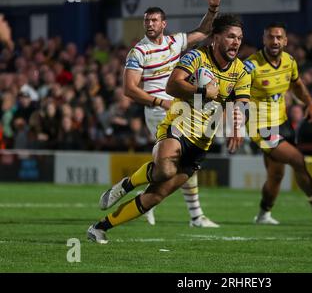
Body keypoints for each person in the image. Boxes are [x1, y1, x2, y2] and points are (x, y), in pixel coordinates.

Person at [87, 14, 250, 243]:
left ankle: (100, 228)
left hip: (201, 143)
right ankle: (127, 184)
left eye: (239, 38)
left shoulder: (242, 71)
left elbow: (242, 103)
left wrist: (237, 123)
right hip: (178, 126)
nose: (236, 42)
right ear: (216, 37)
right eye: (231, 36)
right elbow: (172, 85)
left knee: (155, 196)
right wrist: (203, 92)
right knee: (164, 170)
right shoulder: (196, 56)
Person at [98, 0, 222, 228]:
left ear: (163, 23)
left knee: (180, 163)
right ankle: (193, 215)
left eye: (154, 20)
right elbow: (129, 89)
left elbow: (203, 31)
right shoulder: (138, 52)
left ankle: (144, 199)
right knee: (182, 158)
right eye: (147, 21)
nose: (150, 24)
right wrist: (160, 101)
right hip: (157, 110)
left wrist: (213, 7)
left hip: (182, 107)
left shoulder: (175, 42)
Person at [244, 22, 312, 225]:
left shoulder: (289, 61)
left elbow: (297, 86)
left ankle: (263, 214)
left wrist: (310, 103)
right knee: (297, 160)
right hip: (261, 128)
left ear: (285, 41)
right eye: (270, 37)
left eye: (279, 37)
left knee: (276, 176)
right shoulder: (251, 66)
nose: (275, 41)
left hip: (283, 123)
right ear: (264, 40)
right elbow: (236, 96)